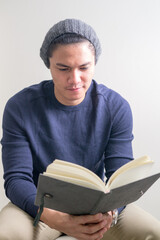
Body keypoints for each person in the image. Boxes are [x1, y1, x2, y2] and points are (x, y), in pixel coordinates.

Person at [0, 18, 160, 240]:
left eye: (84, 67)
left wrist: (111, 213)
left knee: (153, 232)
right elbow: (16, 179)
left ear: (94, 63)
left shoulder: (115, 107)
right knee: (5, 234)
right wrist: (52, 216)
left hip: (98, 208)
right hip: (40, 207)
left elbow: (120, 177)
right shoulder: (19, 107)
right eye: (63, 68)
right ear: (49, 64)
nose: (74, 79)